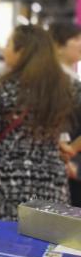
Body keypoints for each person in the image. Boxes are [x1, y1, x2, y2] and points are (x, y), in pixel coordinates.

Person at [0, 24, 81, 220]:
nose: (5, 50)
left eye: (9, 44)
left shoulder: (2, 87)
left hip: (8, 181)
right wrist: (72, 148)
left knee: (8, 236)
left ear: (22, 51)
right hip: (52, 179)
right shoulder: (67, 85)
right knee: (49, 235)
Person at [50, 21, 81, 205]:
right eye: (75, 39)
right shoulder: (54, 80)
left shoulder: (73, 79)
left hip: (69, 160)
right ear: (57, 45)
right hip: (61, 163)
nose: (80, 43)